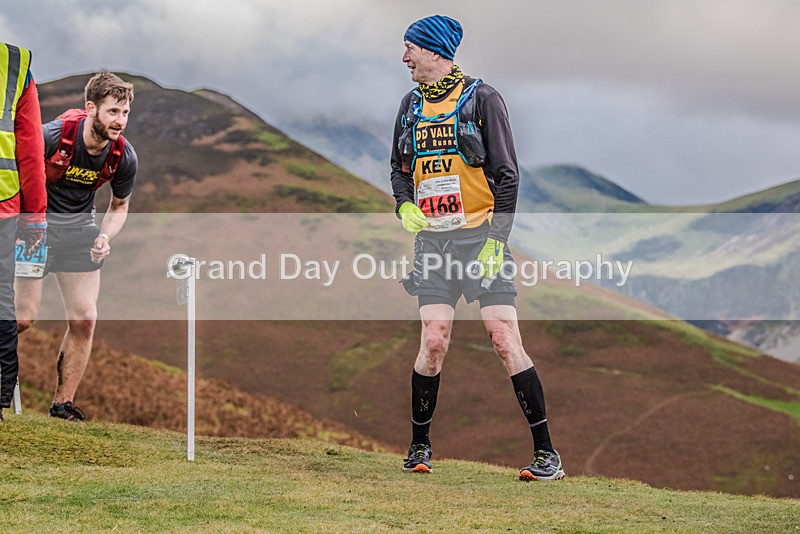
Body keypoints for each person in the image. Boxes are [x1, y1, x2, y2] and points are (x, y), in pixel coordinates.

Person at [390, 16, 565, 480]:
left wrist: (496, 241)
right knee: (433, 341)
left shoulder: (482, 99)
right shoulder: (409, 106)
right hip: (433, 242)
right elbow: (399, 170)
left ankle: (547, 456)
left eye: (410, 48)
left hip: (481, 240)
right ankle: (419, 448)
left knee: (505, 340)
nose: (404, 58)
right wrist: (404, 206)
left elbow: (508, 174)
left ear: (433, 51)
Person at [15, 71, 137, 421]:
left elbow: (119, 206)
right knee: (22, 318)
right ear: (90, 108)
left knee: (85, 318)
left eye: (125, 113)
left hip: (79, 234)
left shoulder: (123, 156)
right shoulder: (51, 138)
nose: (120, 121)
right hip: (34, 232)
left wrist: (104, 237)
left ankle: (62, 406)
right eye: (113, 112)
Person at [0, 43, 48, 422]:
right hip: (3, 202)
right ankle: (0, 397)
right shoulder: (14, 63)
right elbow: (30, 146)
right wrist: (35, 216)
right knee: (1, 301)